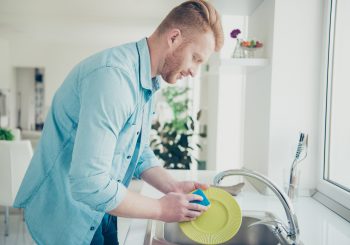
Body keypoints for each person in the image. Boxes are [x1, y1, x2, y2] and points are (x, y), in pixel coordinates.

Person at [13, 0, 224, 244]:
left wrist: (173, 187)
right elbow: (89, 183)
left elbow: (138, 150)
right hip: (66, 216)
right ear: (174, 38)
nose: (195, 72)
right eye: (196, 58)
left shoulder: (145, 79)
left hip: (101, 211)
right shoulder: (114, 78)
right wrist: (161, 209)